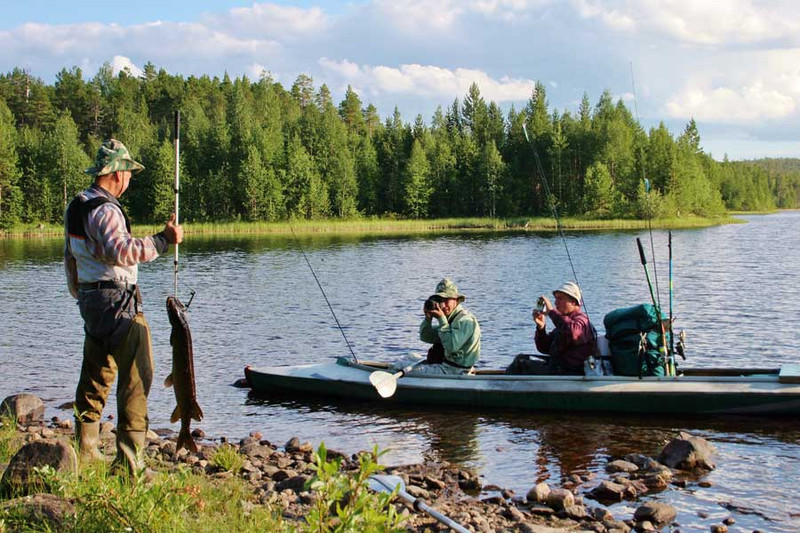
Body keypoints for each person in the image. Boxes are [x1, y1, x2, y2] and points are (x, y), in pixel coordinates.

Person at [64, 139, 182, 475]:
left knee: (95, 375)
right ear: (116, 173)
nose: (129, 179)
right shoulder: (106, 209)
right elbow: (122, 250)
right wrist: (163, 240)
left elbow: (70, 259)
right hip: (117, 301)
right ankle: (130, 465)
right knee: (136, 376)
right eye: (127, 172)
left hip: (91, 300)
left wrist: (83, 297)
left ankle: (84, 449)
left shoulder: (77, 205)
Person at [506, 282, 596, 375]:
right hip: (558, 367)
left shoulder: (581, 320)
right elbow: (545, 348)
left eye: (560, 298)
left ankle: (505, 387)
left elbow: (572, 333)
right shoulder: (564, 322)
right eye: (556, 299)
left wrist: (551, 312)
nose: (556, 302)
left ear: (573, 302)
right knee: (521, 358)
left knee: (520, 365)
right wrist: (541, 328)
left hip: (571, 371)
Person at [408, 278, 481, 375]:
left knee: (402, 367)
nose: (443, 305)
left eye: (446, 300)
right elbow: (426, 337)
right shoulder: (450, 319)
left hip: (455, 371)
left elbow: (451, 347)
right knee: (410, 356)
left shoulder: (465, 320)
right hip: (444, 366)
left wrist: (441, 319)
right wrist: (428, 319)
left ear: (456, 300)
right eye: (439, 301)